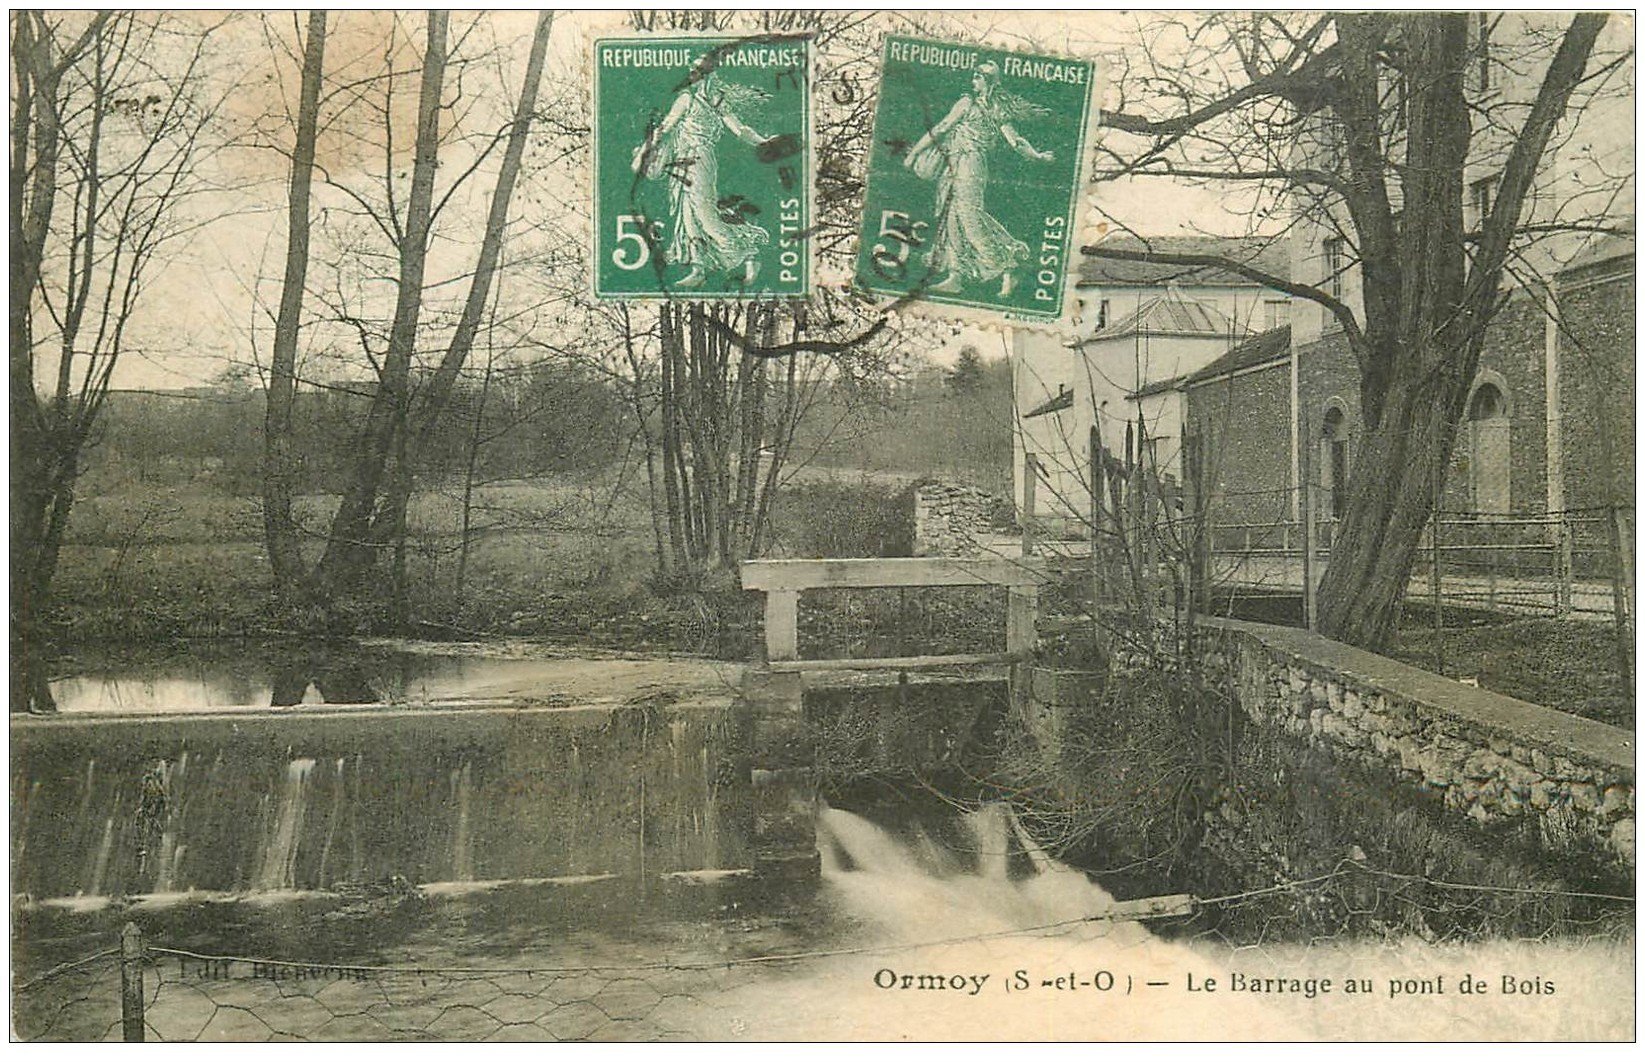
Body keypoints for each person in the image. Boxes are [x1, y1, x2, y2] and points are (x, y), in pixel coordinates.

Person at [904, 61, 1054, 296]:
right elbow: (1015, 141)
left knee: (969, 217)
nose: (973, 81)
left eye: (977, 77)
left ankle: (1007, 264)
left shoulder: (976, 106)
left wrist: (1038, 156)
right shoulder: (983, 107)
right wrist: (1038, 155)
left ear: (987, 82)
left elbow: (1014, 140)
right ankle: (956, 276)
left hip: (970, 164)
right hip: (956, 164)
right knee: (952, 217)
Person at [632, 70, 776, 288]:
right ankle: (699, 269)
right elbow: (664, 128)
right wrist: (644, 153)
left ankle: (749, 253)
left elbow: (739, 129)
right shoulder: (686, 98)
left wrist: (763, 142)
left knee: (704, 212)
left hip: (701, 159)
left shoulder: (717, 100)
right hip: (681, 160)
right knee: (687, 215)